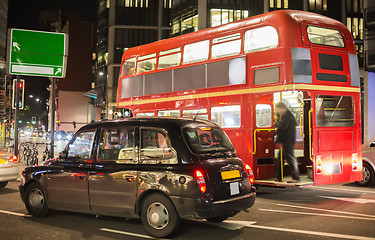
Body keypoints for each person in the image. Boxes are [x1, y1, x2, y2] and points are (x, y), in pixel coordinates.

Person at [274, 101, 300, 183]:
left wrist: (276, 127)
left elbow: (283, 127)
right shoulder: (289, 115)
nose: (277, 111)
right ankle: (278, 177)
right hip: (287, 140)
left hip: (286, 140)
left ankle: (296, 178)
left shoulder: (287, 116)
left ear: (282, 108)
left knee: (290, 158)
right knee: (280, 158)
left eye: (277, 109)